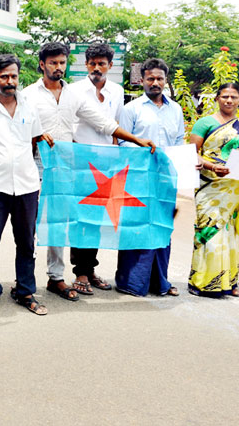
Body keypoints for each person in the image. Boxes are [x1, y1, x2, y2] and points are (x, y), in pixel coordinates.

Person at [22, 42, 156, 300]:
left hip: (65, 168)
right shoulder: (28, 95)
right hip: (33, 166)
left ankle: (56, 277)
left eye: (62, 62)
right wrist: (36, 135)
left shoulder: (74, 95)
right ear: (42, 64)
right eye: (52, 62)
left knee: (58, 224)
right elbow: (19, 128)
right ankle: (25, 280)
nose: (58, 67)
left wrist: (137, 140)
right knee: (29, 227)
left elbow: (104, 122)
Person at [0, 54, 53, 316]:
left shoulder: (30, 108)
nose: (10, 81)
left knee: (26, 243)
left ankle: (26, 291)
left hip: (27, 186)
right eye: (4, 77)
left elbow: (34, 143)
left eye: (14, 76)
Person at [115, 58, 185, 297]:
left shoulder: (175, 109)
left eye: (160, 79)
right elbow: (122, 143)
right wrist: (145, 153)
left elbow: (179, 144)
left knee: (163, 229)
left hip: (165, 181)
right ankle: (131, 282)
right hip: (138, 180)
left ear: (166, 80)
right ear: (141, 80)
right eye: (150, 78)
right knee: (137, 229)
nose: (155, 83)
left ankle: (160, 282)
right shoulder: (131, 109)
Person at [67, 42, 124, 294]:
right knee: (81, 218)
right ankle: (79, 272)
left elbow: (115, 125)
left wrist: (113, 156)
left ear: (110, 66)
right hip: (81, 163)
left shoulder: (117, 91)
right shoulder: (75, 90)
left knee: (98, 219)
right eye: (92, 63)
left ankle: (90, 269)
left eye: (102, 64)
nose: (97, 68)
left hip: (107, 165)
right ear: (86, 64)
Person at [188, 82, 239, 298]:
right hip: (210, 185)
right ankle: (200, 282)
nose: (229, 100)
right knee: (209, 232)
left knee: (231, 236)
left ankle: (229, 282)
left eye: (233, 97)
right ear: (217, 98)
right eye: (224, 96)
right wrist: (211, 166)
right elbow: (191, 153)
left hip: (236, 188)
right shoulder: (204, 123)